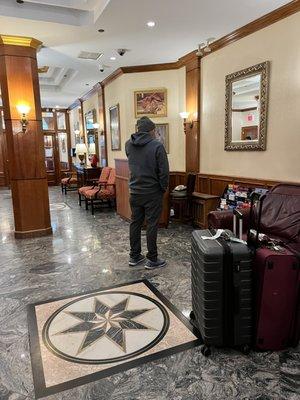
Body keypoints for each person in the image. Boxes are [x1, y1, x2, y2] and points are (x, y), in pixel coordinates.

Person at [125, 116, 169, 269]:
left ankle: (134, 256)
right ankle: (152, 259)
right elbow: (164, 172)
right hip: (152, 192)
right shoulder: (157, 146)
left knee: (135, 223)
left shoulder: (128, 145)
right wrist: (162, 189)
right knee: (151, 225)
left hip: (135, 192)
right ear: (151, 130)